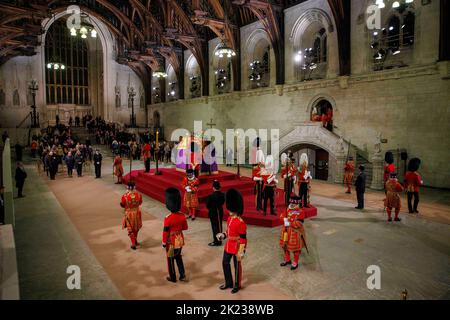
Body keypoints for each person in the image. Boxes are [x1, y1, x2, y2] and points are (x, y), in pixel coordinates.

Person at [216, 189, 247, 294]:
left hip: (237, 246)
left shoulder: (240, 222)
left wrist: (242, 250)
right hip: (229, 245)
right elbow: (228, 231)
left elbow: (243, 238)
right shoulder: (230, 218)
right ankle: (228, 282)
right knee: (225, 263)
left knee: (237, 266)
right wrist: (223, 235)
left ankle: (237, 285)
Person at [162, 188, 188, 282]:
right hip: (180, 239)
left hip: (171, 241)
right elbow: (185, 228)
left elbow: (165, 232)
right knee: (178, 256)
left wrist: (164, 242)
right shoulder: (182, 216)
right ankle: (182, 274)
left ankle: (172, 277)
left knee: (170, 259)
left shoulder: (167, 218)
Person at [279, 197, 307, 271]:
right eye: (291, 202)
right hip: (285, 231)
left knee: (295, 249)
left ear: (297, 203)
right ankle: (287, 260)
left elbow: (299, 223)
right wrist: (283, 219)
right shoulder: (287, 209)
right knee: (284, 246)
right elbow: (281, 216)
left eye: (294, 203)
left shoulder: (300, 211)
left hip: (295, 232)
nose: (292, 204)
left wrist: (289, 223)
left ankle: (295, 262)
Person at [120, 181, 143, 250]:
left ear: (127, 187)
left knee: (130, 229)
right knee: (136, 228)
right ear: (134, 187)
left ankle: (133, 243)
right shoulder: (139, 195)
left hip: (129, 214)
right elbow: (140, 203)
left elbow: (122, 204)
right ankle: (135, 240)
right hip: (137, 213)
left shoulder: (125, 196)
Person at [206, 180, 225, 247]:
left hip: (213, 212)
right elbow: (222, 203)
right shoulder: (223, 195)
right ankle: (219, 239)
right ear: (219, 187)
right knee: (219, 225)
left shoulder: (210, 196)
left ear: (213, 188)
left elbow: (207, 205)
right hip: (220, 211)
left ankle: (216, 241)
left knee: (214, 227)